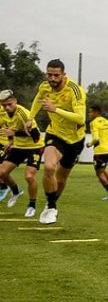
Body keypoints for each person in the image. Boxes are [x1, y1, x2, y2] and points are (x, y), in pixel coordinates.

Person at [25, 59, 87, 225]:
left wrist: (55, 109)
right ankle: (51, 207)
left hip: (75, 139)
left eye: (56, 75)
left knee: (61, 179)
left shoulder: (75, 90)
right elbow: (38, 99)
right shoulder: (45, 86)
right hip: (55, 134)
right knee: (49, 166)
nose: (52, 78)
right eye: (49, 74)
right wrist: (30, 118)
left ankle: (51, 203)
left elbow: (81, 118)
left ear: (63, 75)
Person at [0, 89, 44, 217]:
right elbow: (8, 128)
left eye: (9, 104)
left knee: (29, 176)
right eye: (4, 105)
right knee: (2, 173)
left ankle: (32, 205)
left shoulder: (23, 113)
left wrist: (14, 134)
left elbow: (36, 136)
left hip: (34, 147)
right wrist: (10, 140)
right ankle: (16, 191)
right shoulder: (3, 114)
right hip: (18, 147)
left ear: (15, 101)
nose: (7, 108)